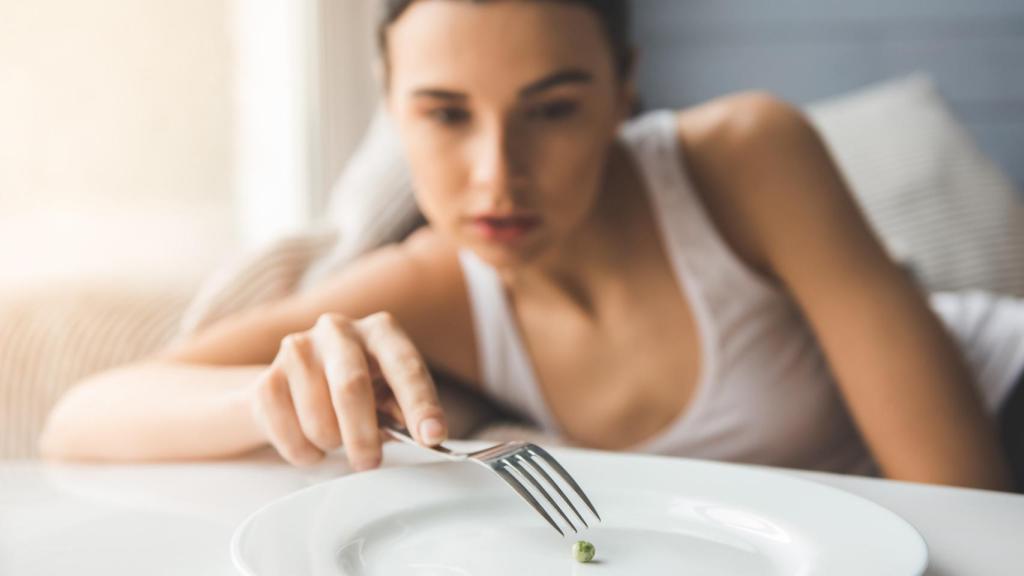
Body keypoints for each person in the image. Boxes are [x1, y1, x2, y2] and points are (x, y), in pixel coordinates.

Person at [39, 0, 1024, 492]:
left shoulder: (745, 155)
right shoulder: (430, 286)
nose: (496, 177)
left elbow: (961, 499)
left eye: (551, 111)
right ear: (390, 106)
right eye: (444, 114)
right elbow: (78, 420)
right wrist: (262, 389)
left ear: (624, 89)